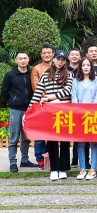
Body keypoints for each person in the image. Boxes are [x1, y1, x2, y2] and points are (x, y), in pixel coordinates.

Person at [29, 50, 73, 181]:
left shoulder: (69, 74)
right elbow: (37, 94)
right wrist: (29, 111)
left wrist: (49, 98)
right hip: (50, 113)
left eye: (63, 60)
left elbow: (67, 91)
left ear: (65, 61)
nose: (60, 62)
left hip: (64, 112)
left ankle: (63, 168)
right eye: (58, 59)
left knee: (65, 141)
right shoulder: (45, 75)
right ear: (53, 59)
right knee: (52, 140)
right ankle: (54, 168)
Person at [1, 51, 38, 172]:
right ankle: (12, 162)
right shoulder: (10, 75)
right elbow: (4, 92)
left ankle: (25, 160)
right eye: (20, 58)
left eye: (25, 58)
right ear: (16, 60)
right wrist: (13, 100)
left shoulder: (32, 73)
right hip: (16, 110)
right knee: (13, 137)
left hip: (29, 109)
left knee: (26, 137)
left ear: (28, 59)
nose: (23, 61)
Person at [71, 57, 97, 180]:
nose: (85, 67)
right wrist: (79, 112)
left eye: (88, 65)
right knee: (80, 144)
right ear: (80, 67)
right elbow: (74, 98)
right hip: (79, 116)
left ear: (91, 67)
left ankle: (93, 168)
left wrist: (90, 111)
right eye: (83, 65)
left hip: (93, 115)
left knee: (94, 143)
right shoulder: (75, 81)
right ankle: (82, 168)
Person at [30, 44, 54, 169]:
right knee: (40, 134)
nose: (47, 55)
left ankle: (51, 157)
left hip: (55, 106)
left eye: (49, 52)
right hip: (41, 105)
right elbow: (36, 88)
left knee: (53, 133)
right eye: (44, 53)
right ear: (41, 54)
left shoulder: (58, 68)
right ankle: (40, 158)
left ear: (53, 54)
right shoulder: (36, 68)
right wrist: (47, 98)